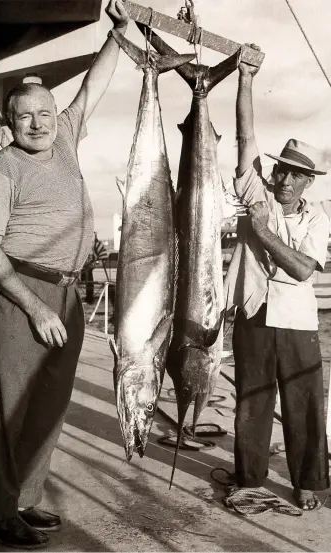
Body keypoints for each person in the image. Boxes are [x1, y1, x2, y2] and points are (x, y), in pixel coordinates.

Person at [0, 1, 129, 549]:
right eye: (24, 117)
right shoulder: (1, 169)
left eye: (45, 113)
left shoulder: (63, 137)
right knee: (9, 407)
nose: (38, 124)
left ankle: (22, 499)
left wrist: (120, 35)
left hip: (68, 290)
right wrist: (34, 305)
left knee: (49, 405)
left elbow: (92, 88)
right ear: (8, 122)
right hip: (23, 290)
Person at [224, 48, 330, 511]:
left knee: (304, 402)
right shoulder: (257, 191)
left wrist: (263, 231)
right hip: (252, 310)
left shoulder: (318, 217)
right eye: (282, 170)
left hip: (299, 321)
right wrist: (246, 79)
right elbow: (246, 140)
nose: (286, 179)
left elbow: (304, 268)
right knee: (252, 399)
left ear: (310, 183)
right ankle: (249, 476)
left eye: (298, 175)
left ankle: (307, 481)